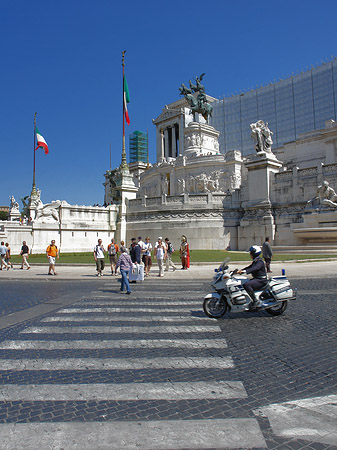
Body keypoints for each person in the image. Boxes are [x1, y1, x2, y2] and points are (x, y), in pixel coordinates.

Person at [237, 245, 267, 310]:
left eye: (251, 253)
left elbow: (254, 268)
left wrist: (245, 271)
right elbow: (250, 267)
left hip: (261, 280)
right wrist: (241, 270)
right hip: (257, 279)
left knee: (247, 284)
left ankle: (255, 301)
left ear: (254, 253)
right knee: (244, 282)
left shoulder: (259, 261)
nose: (250, 254)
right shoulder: (255, 261)